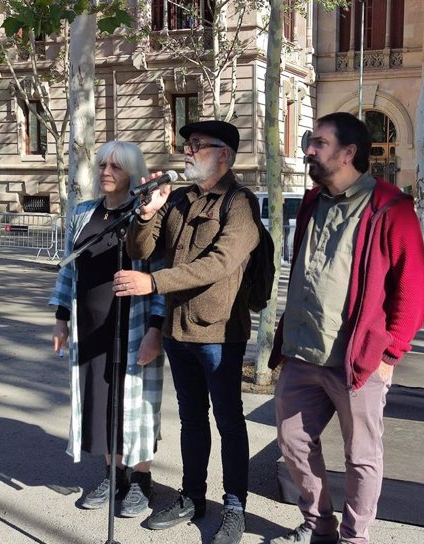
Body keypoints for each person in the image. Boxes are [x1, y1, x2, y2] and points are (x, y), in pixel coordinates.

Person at [268, 112, 424, 544]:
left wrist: (391, 353)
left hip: (357, 363)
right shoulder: (310, 202)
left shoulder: (390, 208)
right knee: (293, 442)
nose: (308, 150)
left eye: (318, 143)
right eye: (310, 141)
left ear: (348, 153)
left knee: (361, 457)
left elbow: (414, 289)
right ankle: (318, 524)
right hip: (302, 354)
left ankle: (354, 536)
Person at [113, 120, 260, 544]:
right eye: (187, 145)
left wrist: (153, 284)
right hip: (178, 330)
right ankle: (193, 495)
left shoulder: (240, 204)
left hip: (218, 332)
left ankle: (234, 506)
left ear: (224, 155)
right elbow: (140, 249)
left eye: (197, 145)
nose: (187, 152)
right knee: (192, 418)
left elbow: (219, 263)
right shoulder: (177, 199)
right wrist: (147, 213)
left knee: (228, 420)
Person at [49, 141, 165, 518]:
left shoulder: (146, 214)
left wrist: (156, 329)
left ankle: (141, 482)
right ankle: (113, 475)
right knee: (101, 403)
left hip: (132, 325)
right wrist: (61, 317)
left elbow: (162, 274)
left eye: (115, 166)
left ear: (132, 171)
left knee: (136, 404)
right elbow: (70, 268)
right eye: (101, 166)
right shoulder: (84, 212)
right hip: (90, 326)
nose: (105, 172)